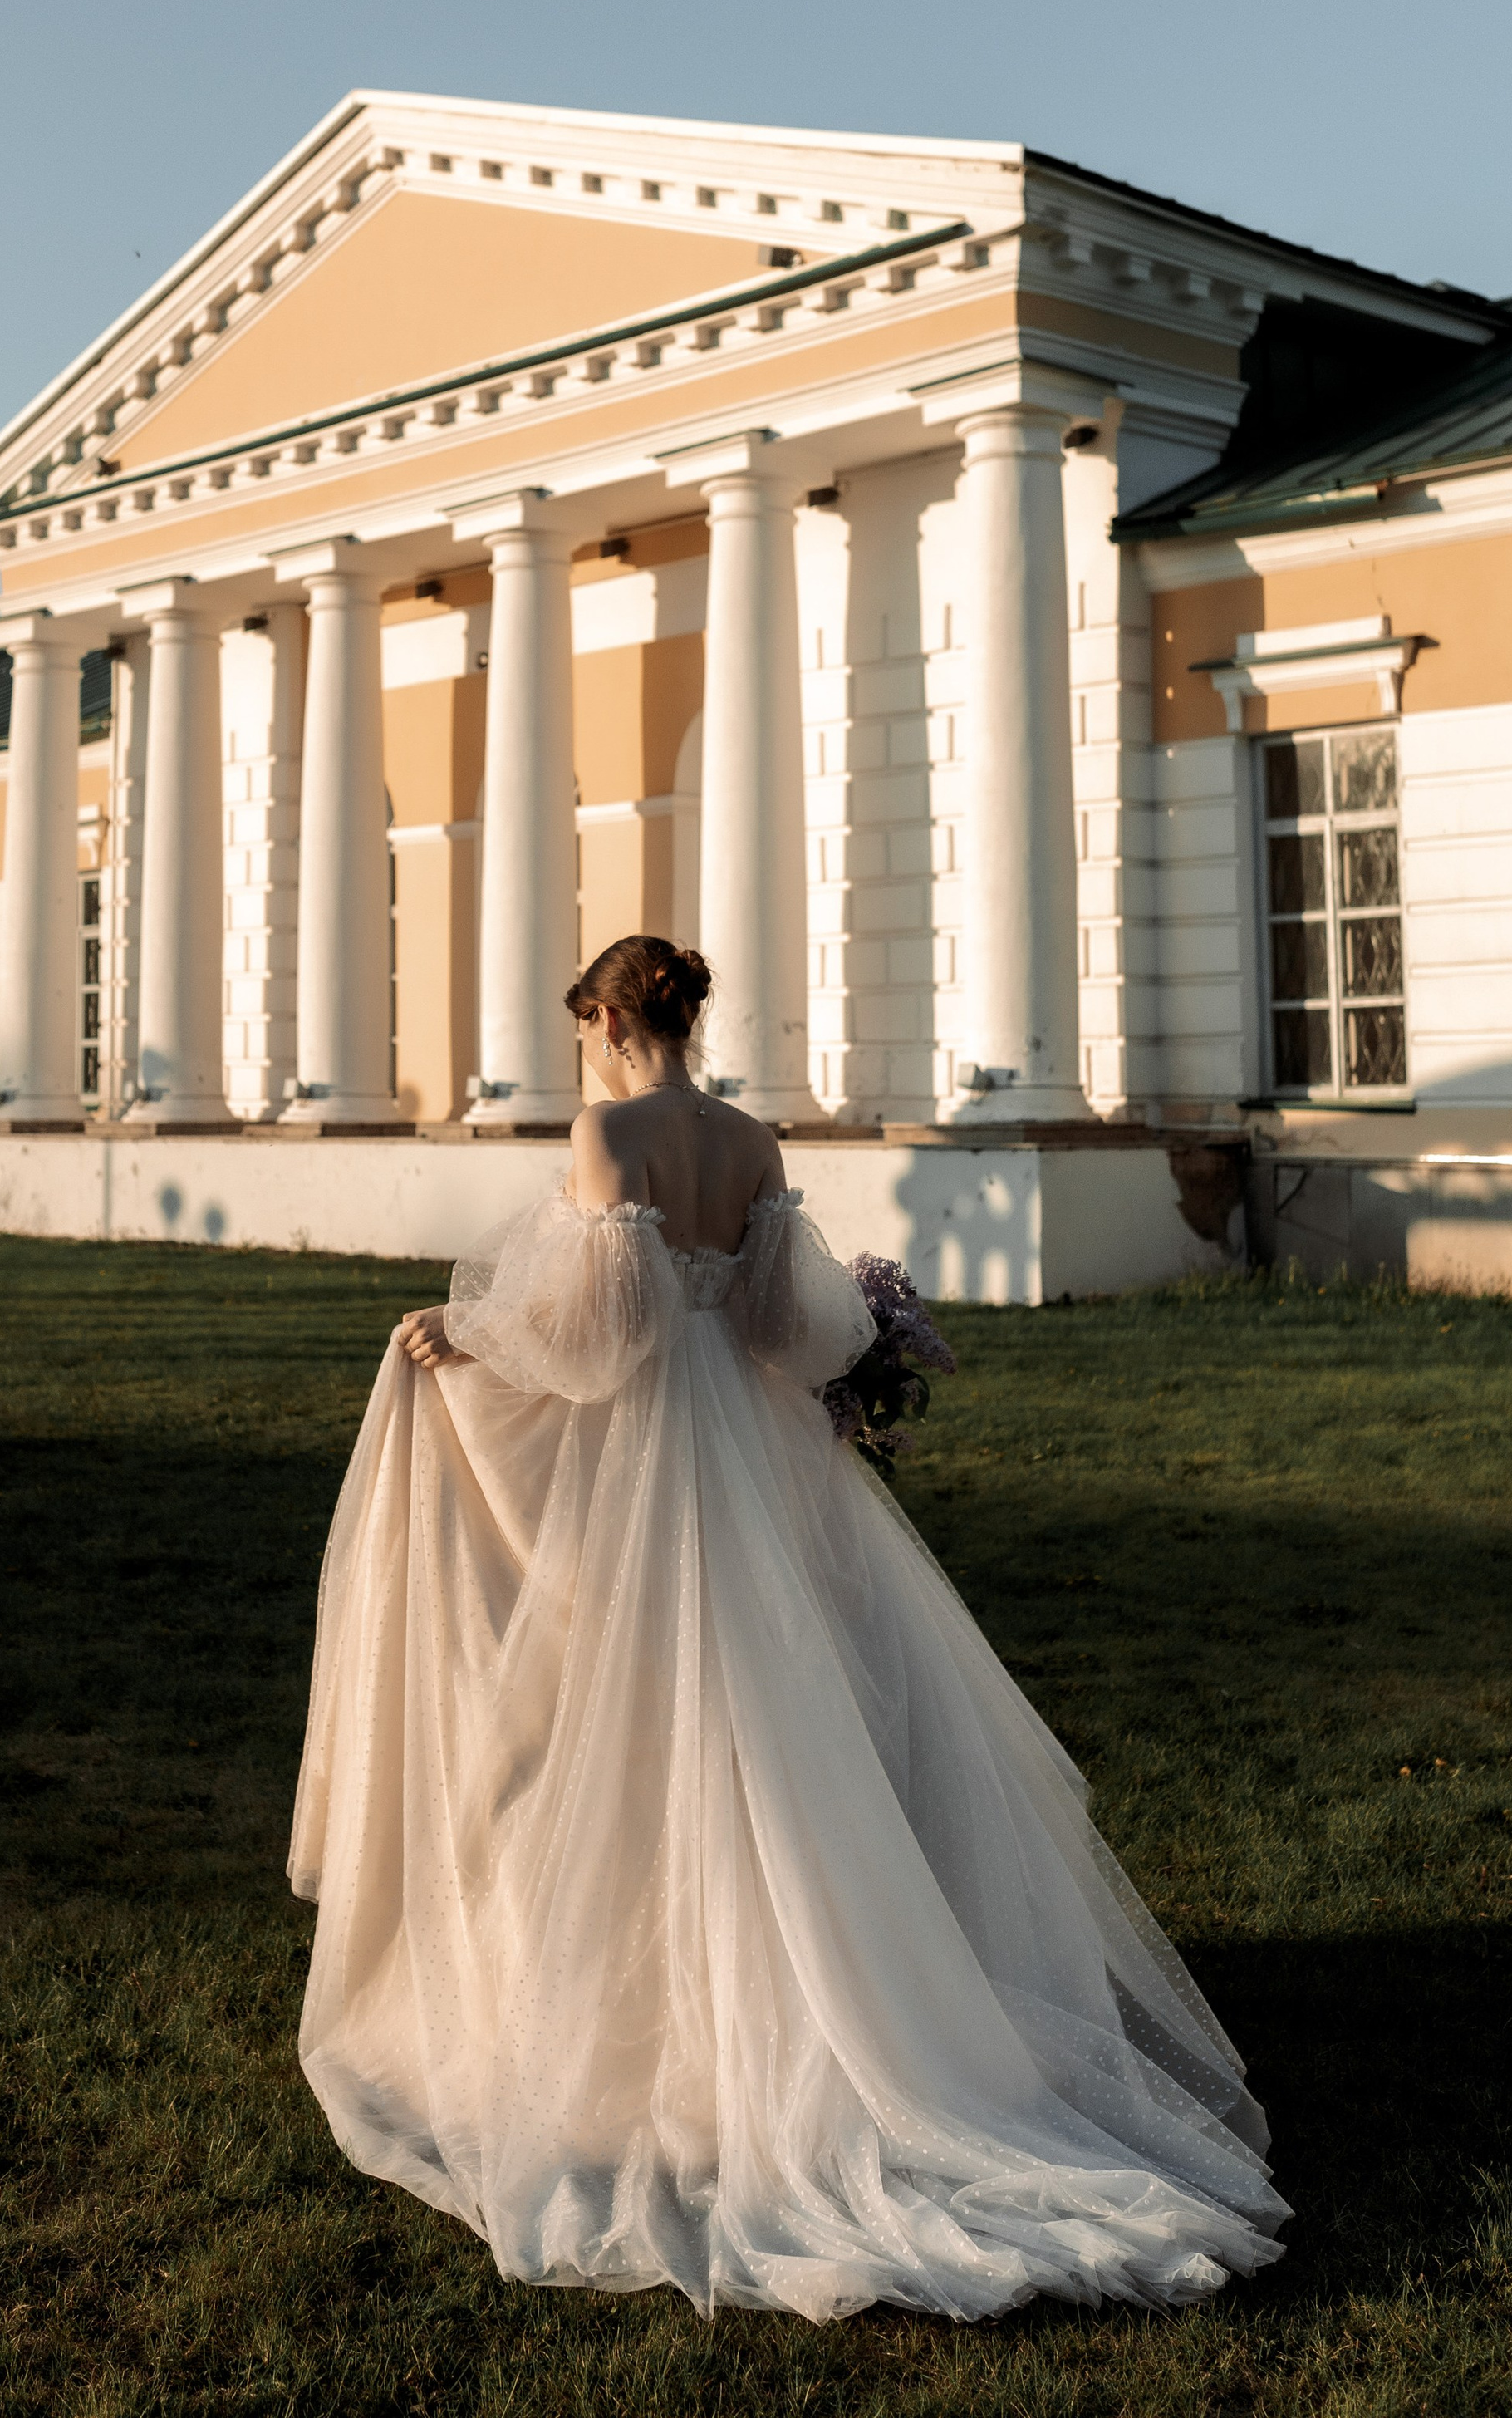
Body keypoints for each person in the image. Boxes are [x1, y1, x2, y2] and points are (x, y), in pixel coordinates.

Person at [290, 936, 1286, 2322]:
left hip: (652, 1457)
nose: (580, 1048)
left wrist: (480, 1338)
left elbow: (606, 1335)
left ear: (606, 1021)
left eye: (582, 1026)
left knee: (643, 1714)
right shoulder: (751, 1140)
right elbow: (777, 1321)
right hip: (752, 1454)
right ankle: (837, 1999)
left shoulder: (606, 1131)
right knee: (783, 1718)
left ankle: (671, 2041)